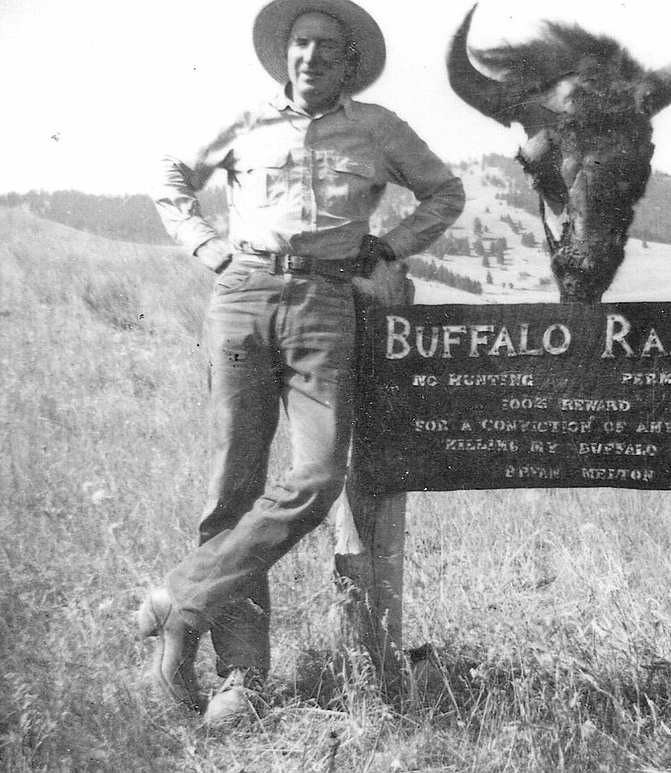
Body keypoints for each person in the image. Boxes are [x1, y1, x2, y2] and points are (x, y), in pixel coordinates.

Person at [141, 0, 464, 723]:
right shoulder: (244, 121)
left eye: (324, 47)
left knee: (318, 476)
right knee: (234, 486)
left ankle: (182, 596)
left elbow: (446, 192)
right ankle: (241, 678)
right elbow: (172, 177)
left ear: (349, 62)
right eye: (299, 45)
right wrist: (207, 246)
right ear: (283, 56)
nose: (310, 57)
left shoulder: (378, 128)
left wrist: (389, 247)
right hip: (243, 293)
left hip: (326, 302)